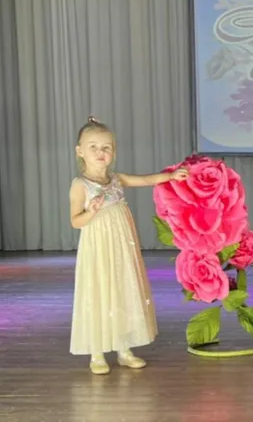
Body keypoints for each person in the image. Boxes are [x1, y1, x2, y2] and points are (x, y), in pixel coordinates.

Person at [69, 116, 188, 374]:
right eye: (93, 147)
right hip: (98, 249)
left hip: (122, 246)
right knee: (100, 291)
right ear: (80, 151)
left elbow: (145, 180)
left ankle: (124, 349)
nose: (100, 152)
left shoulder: (116, 179)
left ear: (114, 151)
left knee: (123, 289)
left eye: (106, 147)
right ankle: (97, 353)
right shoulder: (80, 185)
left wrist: (170, 176)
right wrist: (91, 211)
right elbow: (75, 221)